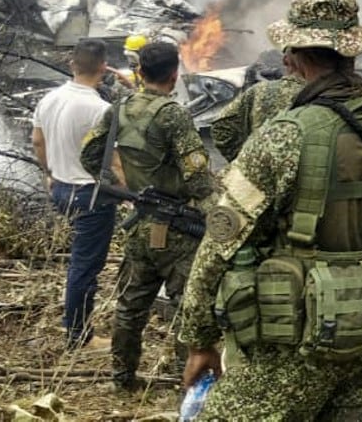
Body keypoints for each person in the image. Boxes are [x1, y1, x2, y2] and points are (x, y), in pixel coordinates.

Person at [178, 0, 362, 419]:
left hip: (286, 351)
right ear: (353, 54)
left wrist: (198, 339)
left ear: (292, 59)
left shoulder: (280, 138)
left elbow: (219, 241)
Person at [81, 41, 215, 391]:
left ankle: (122, 379)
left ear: (139, 71)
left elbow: (90, 154)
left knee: (130, 306)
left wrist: (121, 184)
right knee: (187, 307)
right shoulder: (174, 113)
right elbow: (199, 179)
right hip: (178, 229)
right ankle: (187, 383)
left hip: (140, 221)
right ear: (175, 74)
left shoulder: (120, 107)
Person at [31, 38, 115, 351]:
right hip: (90, 196)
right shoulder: (101, 109)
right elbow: (114, 159)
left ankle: (74, 318)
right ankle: (79, 335)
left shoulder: (50, 99)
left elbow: (38, 141)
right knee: (85, 266)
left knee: (80, 262)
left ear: (72, 64)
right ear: (103, 68)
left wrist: (49, 173)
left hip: (61, 188)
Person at [210, 50, 303, 162]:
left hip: (260, 169)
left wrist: (243, 160)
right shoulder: (324, 93)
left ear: (287, 61)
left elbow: (221, 126)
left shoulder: (260, 91)